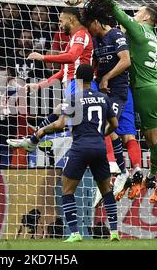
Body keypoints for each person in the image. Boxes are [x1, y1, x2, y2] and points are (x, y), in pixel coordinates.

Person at [88, 0, 157, 203]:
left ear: (146, 16)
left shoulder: (139, 29)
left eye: (138, 11)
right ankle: (151, 178)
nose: (135, 14)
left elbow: (117, 11)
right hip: (152, 86)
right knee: (149, 136)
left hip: (145, 89)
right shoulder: (150, 35)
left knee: (153, 138)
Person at [32, 64, 120, 242]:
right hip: (99, 147)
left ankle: (74, 233)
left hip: (80, 148)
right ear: (92, 78)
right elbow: (115, 125)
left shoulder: (74, 98)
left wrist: (42, 131)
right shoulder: (103, 98)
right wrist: (101, 134)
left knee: (67, 189)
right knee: (106, 191)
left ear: (77, 79)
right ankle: (115, 232)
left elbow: (59, 125)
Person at [7, 7, 95, 151]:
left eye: (61, 21)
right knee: (60, 111)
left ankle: (36, 139)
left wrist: (43, 57)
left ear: (71, 19)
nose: (59, 25)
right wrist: (39, 85)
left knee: (74, 126)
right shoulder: (72, 39)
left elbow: (72, 57)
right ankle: (33, 140)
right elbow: (63, 71)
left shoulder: (81, 35)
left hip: (77, 84)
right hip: (71, 84)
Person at [82, 0, 142, 201]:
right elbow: (96, 64)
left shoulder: (115, 35)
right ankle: (127, 172)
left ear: (97, 22)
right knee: (116, 131)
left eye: (90, 25)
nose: (89, 30)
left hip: (118, 92)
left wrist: (107, 78)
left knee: (109, 128)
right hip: (105, 92)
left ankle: (122, 172)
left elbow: (126, 60)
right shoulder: (97, 39)